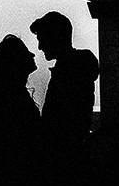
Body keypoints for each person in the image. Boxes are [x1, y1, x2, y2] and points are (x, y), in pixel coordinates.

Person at [29, 11, 98, 148]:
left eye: (42, 39)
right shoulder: (76, 68)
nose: (40, 47)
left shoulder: (68, 72)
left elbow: (58, 123)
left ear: (55, 38)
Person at [0, 34, 39, 142]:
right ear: (15, 60)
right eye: (25, 52)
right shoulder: (16, 98)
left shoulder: (9, 96)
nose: (32, 54)